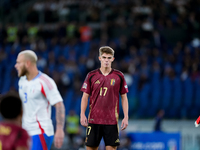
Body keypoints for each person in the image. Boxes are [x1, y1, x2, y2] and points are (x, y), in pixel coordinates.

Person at [80, 46, 129, 150]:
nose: (106, 60)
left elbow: (124, 97)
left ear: (113, 59)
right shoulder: (91, 75)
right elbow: (85, 97)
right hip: (93, 120)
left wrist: (126, 116)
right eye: (104, 57)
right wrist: (82, 114)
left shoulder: (119, 76)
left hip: (111, 121)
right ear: (99, 58)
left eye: (109, 58)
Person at [15, 50, 65, 150]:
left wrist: (59, 129)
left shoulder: (45, 82)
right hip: (25, 131)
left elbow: (59, 105)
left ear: (28, 63)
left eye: (19, 62)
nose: (16, 65)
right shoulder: (22, 81)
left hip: (40, 132)